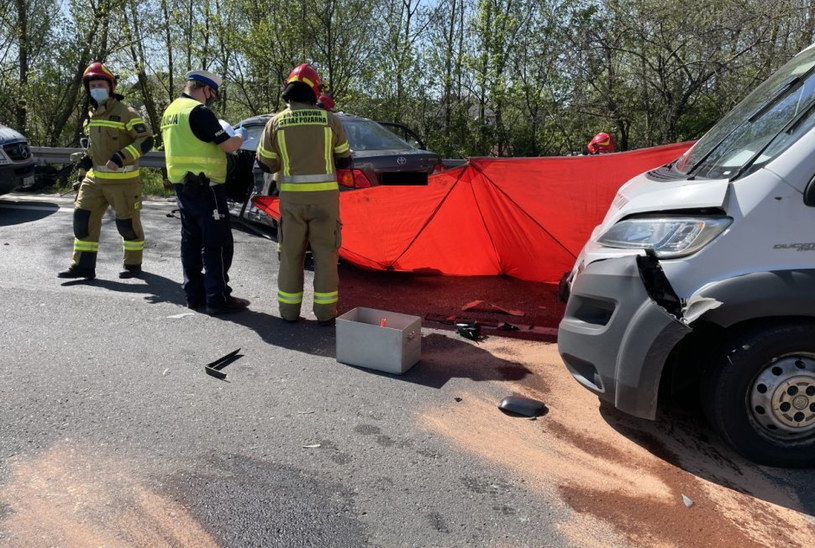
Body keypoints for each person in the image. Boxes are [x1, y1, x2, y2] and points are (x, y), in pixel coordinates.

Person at [256, 64, 352, 325]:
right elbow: (344, 160)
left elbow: (265, 163)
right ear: (315, 90)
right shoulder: (330, 120)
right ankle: (325, 313)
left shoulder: (276, 122)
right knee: (326, 257)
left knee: (290, 255)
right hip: (325, 203)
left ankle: (288, 312)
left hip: (292, 202)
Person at [160, 70, 250, 315]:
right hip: (207, 188)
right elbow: (229, 146)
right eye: (212, 94)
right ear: (206, 89)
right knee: (217, 245)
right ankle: (217, 299)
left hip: (182, 187)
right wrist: (241, 135)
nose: (211, 100)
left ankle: (194, 296)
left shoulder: (170, 111)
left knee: (190, 242)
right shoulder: (199, 112)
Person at [58, 61, 154, 280]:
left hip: (123, 182)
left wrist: (121, 157)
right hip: (95, 180)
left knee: (127, 225)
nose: (96, 89)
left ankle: (132, 264)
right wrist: (84, 169)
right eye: (92, 86)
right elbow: (94, 147)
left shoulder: (126, 112)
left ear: (111, 86)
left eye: (100, 84)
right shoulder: (92, 114)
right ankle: (83, 266)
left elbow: (146, 140)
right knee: (82, 220)